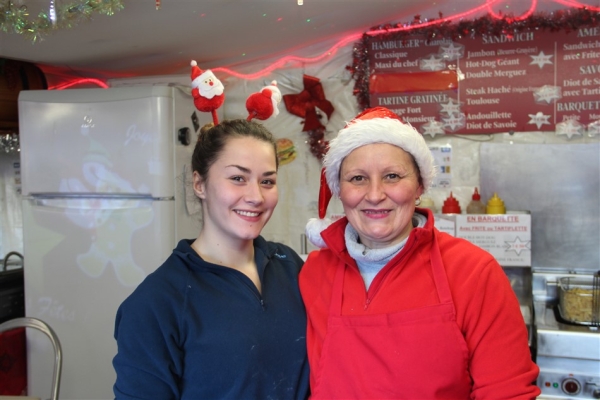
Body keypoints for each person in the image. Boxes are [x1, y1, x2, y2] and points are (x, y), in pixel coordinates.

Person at [300, 107, 540, 399]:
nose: (375, 195)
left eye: (392, 176)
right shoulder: (314, 272)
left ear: (419, 187)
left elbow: (507, 392)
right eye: (358, 178)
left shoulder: (473, 272)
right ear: (340, 190)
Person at [113, 119, 309, 399]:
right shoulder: (156, 303)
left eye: (267, 181)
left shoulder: (289, 265)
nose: (256, 196)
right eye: (238, 178)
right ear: (199, 184)